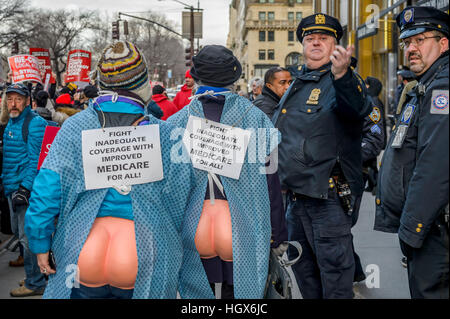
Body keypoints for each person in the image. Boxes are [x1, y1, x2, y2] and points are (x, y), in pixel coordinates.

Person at [24, 41, 211, 299]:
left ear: (102, 83)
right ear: (142, 83)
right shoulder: (166, 134)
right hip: (142, 255)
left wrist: (40, 241)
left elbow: (46, 188)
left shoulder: (73, 128)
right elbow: (182, 202)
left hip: (82, 253)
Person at [167, 45, 287, 299]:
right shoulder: (255, 118)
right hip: (240, 227)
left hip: (194, 227)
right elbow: (270, 181)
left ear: (195, 76)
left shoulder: (175, 122)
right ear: (234, 77)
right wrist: (277, 234)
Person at [273, 13, 372, 299]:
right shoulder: (299, 81)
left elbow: (356, 107)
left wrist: (342, 75)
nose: (316, 42)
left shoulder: (341, 80)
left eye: (324, 38)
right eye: (310, 38)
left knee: (335, 278)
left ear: (335, 45)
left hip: (327, 200)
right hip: (296, 198)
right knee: (305, 275)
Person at [375, 6, 449, 299]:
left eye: (421, 40)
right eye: (407, 42)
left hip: (434, 229)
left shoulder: (442, 88)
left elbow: (436, 165)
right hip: (429, 226)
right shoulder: (426, 85)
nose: (411, 49)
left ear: (444, 43)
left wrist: (412, 229)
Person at [1, 83, 47, 297]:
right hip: (12, 188)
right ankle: (33, 274)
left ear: (28, 101)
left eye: (18, 99)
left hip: (23, 191)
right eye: (9, 99)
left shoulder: (34, 123)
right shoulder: (11, 122)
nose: (13, 103)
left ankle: (35, 282)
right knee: (21, 236)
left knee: (28, 239)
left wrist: (24, 189)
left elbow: (35, 160)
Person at [363, 76, 386, 193]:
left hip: (373, 140)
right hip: (372, 139)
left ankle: (375, 185)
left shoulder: (373, 101)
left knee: (373, 164)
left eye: (367, 85)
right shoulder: (371, 99)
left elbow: (375, 126)